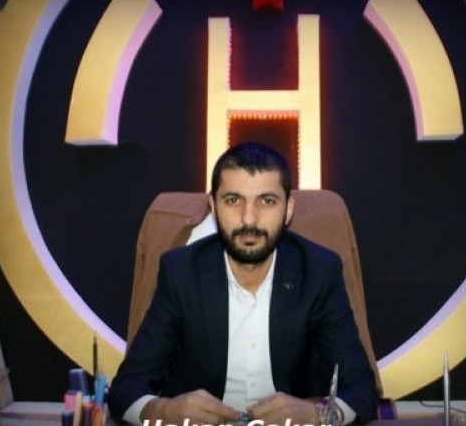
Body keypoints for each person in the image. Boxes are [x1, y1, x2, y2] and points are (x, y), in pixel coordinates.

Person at [108, 142, 379, 425]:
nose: (249, 219)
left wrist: (316, 415)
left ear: (288, 209)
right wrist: (164, 412)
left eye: (267, 201)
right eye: (233, 200)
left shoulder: (319, 271)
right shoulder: (181, 272)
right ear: (213, 207)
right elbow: (127, 389)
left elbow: (361, 388)